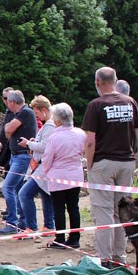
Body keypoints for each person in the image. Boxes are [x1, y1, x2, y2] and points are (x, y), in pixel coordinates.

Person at [83, 66, 138, 267]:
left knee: (102, 211)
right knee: (121, 212)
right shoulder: (130, 103)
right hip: (126, 163)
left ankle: (105, 260)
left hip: (103, 163)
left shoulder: (96, 105)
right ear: (116, 79)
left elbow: (90, 141)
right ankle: (120, 257)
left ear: (97, 82)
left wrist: (90, 164)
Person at [38, 103, 85, 249]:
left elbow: (47, 158)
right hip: (75, 175)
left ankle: (60, 238)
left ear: (57, 120)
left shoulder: (55, 137)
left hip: (57, 176)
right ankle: (75, 238)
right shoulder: (81, 133)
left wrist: (45, 172)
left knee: (58, 208)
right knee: (73, 207)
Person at [0, 90, 37, 234]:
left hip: (22, 156)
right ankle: (22, 222)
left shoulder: (25, 112)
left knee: (8, 187)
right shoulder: (21, 113)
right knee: (18, 189)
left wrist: (10, 129)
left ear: (13, 102)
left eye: (8, 101)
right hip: (16, 155)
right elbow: (7, 130)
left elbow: (9, 128)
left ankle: (12, 223)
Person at [17, 95, 56, 234]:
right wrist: (33, 141)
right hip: (42, 166)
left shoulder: (50, 126)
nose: (37, 116)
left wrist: (28, 143)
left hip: (43, 167)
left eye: (37, 113)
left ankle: (31, 226)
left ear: (44, 109)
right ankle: (49, 225)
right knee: (46, 194)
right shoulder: (48, 125)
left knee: (24, 194)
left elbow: (45, 147)